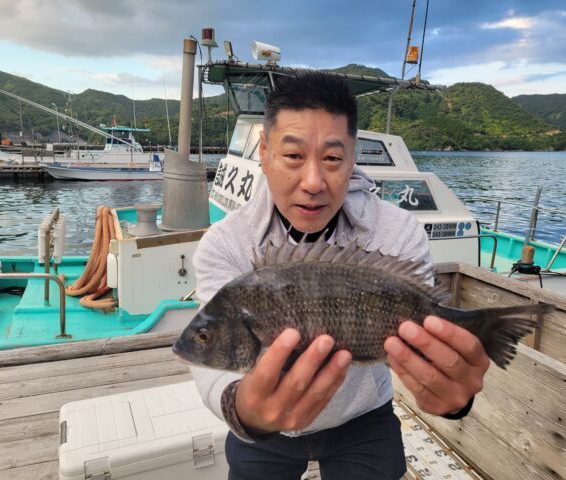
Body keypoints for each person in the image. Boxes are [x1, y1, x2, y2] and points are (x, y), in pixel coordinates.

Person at [191, 71, 490, 479]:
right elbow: (212, 363)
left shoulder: (398, 232)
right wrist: (244, 409)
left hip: (362, 418)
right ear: (264, 151)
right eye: (293, 156)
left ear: (352, 159)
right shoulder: (225, 243)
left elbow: (421, 338)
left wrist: (454, 398)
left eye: (332, 159)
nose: (313, 182)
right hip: (264, 427)